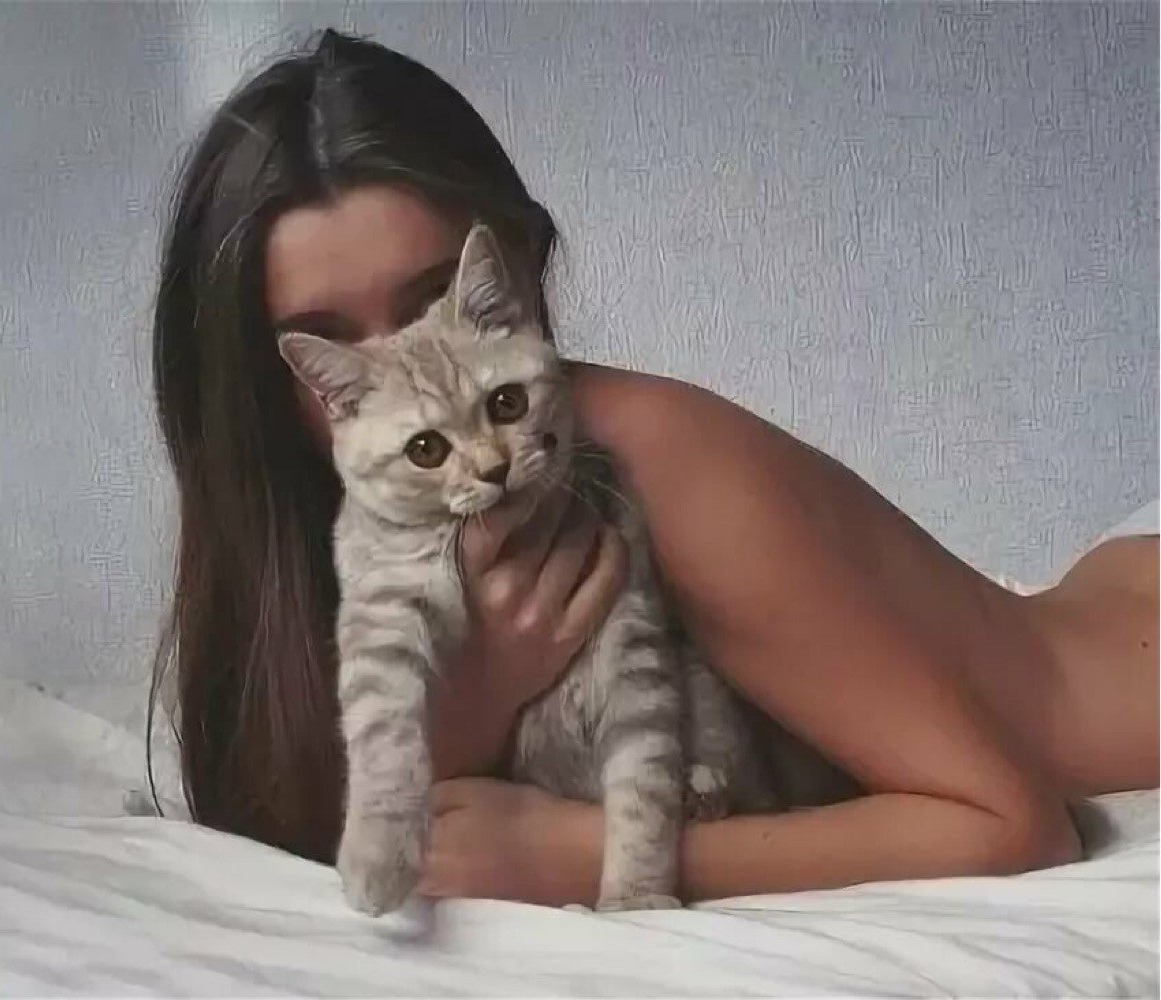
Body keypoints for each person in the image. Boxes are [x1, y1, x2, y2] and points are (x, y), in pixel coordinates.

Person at [148, 29, 1158, 907]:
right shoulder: (328, 542)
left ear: (516, 269)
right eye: (329, 346)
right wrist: (481, 694)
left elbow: (1011, 823)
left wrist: (579, 852)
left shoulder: (651, 458)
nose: (408, 378)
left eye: (432, 301)